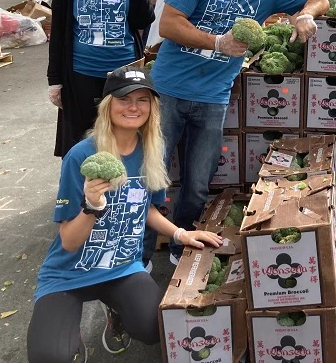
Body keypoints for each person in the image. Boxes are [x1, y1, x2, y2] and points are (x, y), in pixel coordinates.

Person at [148, 0, 329, 264]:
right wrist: (218, 42)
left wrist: (307, 12)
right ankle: (136, 259)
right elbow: (169, 24)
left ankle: (178, 249)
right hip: (169, 90)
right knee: (151, 177)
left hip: (213, 99)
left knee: (198, 184)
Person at [28, 66, 223, 362]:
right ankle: (69, 333)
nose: (133, 107)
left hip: (121, 268)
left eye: (142, 100)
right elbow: (68, 242)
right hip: (68, 273)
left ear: (152, 107)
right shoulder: (82, 156)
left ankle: (118, 310)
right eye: (124, 99)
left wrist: (180, 233)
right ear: (108, 105)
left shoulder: (151, 151)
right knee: (49, 356)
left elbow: (146, 208)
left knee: (155, 328)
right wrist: (92, 205)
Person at [47, 0, 152, 158]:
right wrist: (55, 80)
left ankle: (121, 192)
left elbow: (142, 19)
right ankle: (86, 193)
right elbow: (59, 33)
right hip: (82, 74)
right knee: (85, 140)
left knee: (124, 138)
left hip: (124, 74)